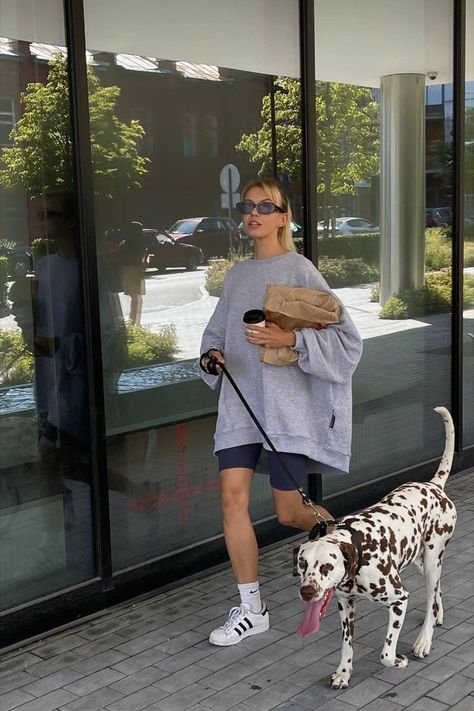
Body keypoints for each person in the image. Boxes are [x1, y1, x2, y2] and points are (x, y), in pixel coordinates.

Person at [199, 178, 362, 646]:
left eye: (265, 206)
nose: (254, 213)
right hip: (240, 405)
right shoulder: (234, 276)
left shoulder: (300, 270)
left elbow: (348, 341)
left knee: (290, 512)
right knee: (232, 500)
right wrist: (211, 354)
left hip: (286, 412)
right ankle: (252, 609)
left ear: (283, 217)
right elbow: (214, 332)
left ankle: (348, 556)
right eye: (247, 206)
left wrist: (289, 339)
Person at [120, 221, 145, 325]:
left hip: (125, 270)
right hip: (136, 270)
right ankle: (134, 322)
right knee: (137, 298)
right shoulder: (138, 243)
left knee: (133, 297)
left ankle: (132, 320)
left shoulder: (124, 243)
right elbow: (141, 257)